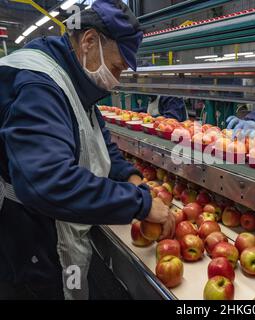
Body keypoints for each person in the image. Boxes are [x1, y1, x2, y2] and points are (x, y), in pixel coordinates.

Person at [0, 0, 175, 300]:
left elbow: (96, 135)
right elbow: (47, 181)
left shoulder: (71, 77)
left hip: (43, 225)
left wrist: (131, 177)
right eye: (118, 67)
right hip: (26, 234)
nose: (116, 80)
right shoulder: (40, 85)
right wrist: (140, 204)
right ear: (90, 41)